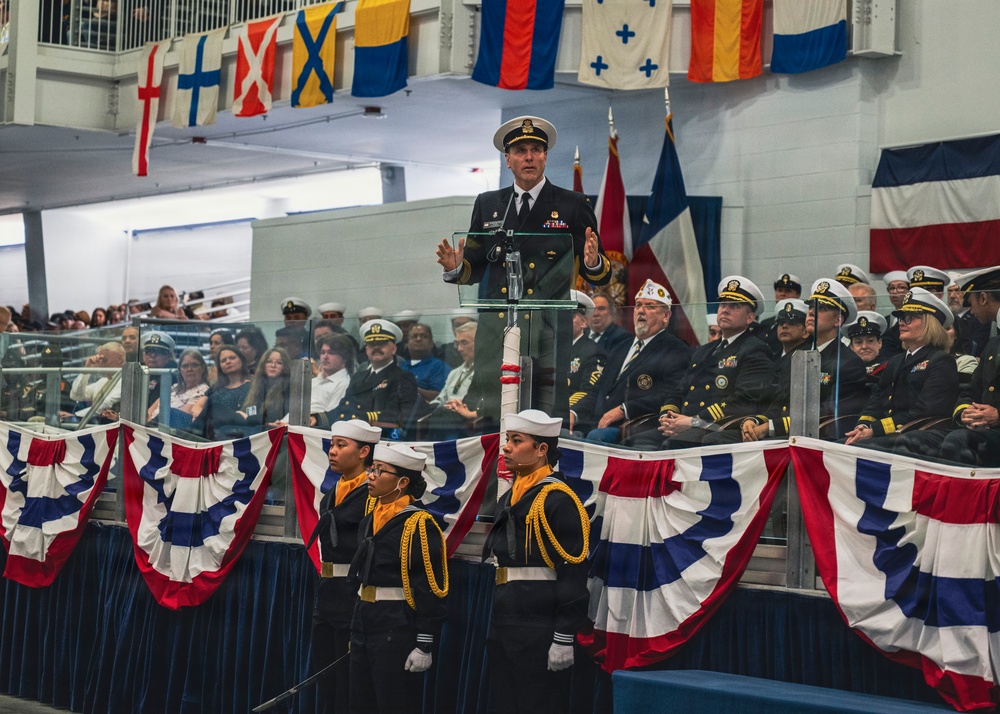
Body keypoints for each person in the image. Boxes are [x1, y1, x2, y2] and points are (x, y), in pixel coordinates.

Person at [435, 115, 611, 422]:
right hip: (498, 328)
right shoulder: (489, 204)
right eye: (520, 151)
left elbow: (600, 271)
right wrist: (457, 267)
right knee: (493, 414)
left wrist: (592, 261)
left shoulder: (571, 204)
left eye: (535, 150)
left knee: (541, 416)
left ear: (545, 156)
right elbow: (475, 267)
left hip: (545, 328)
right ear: (508, 160)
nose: (529, 157)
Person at [482, 409, 590, 713]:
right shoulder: (509, 497)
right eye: (507, 440)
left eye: (517, 441)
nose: (506, 448)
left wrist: (563, 635)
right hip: (505, 617)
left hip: (540, 623)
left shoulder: (559, 498)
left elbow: (573, 570)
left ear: (542, 449)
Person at [348, 442, 448, 714]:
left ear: (402, 482)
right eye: (372, 469)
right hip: (364, 623)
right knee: (360, 704)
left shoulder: (418, 524)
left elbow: (430, 587)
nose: (371, 476)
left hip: (395, 627)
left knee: (393, 704)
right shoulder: (370, 519)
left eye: (380, 471)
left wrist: (424, 643)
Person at [640, 276, 774, 450]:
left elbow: (742, 401)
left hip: (713, 427)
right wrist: (668, 415)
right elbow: (679, 390)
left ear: (750, 318)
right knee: (635, 442)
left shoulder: (755, 349)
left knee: (670, 445)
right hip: (684, 423)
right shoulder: (704, 350)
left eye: (734, 306)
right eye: (722, 304)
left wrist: (694, 421)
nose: (725, 310)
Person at [307, 420, 381, 714]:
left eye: (341, 445)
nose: (332, 451)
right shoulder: (333, 491)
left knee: (349, 685)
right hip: (327, 593)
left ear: (364, 452)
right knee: (326, 679)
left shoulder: (373, 495)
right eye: (332, 445)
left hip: (352, 594)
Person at [741, 284, 868, 443]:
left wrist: (771, 427)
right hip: (785, 434)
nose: (811, 312)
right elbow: (778, 403)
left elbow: (826, 415)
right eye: (811, 307)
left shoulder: (848, 363)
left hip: (817, 439)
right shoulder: (797, 355)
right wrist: (756, 420)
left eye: (822, 308)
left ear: (838, 320)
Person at [572, 279, 691, 444]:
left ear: (666, 316)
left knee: (596, 437)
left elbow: (670, 395)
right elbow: (598, 390)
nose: (641, 311)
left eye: (650, 306)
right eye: (638, 305)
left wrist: (625, 409)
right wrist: (574, 413)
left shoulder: (676, 349)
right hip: (596, 422)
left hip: (633, 428)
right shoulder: (621, 346)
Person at [844, 287, 959, 452]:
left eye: (910, 318)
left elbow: (925, 412)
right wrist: (863, 425)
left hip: (917, 435)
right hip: (892, 433)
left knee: (855, 449)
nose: (902, 323)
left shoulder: (941, 361)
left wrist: (875, 429)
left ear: (930, 324)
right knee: (840, 445)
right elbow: (876, 401)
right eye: (902, 318)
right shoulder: (896, 361)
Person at [322, 319, 418, 433]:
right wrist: (319, 417)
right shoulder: (358, 377)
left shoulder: (402, 378)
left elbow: (397, 415)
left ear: (393, 349)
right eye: (372, 344)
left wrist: (360, 417)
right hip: (352, 431)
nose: (376, 347)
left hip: (380, 435)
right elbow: (343, 408)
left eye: (381, 343)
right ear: (367, 350)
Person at [424, 322, 478, 440]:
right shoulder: (455, 373)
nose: (459, 349)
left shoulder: (486, 372)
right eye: (457, 343)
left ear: (479, 342)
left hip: (468, 425)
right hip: (445, 420)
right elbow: (441, 399)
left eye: (464, 343)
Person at [189, 345, 253, 440]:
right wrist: (199, 413)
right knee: (172, 413)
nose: (228, 361)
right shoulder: (215, 387)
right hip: (210, 429)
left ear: (241, 360)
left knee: (215, 407)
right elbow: (197, 406)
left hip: (235, 430)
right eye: (223, 360)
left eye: (232, 358)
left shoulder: (252, 386)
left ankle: (188, 438)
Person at [566, 290, 605, 430]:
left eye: (570, 316)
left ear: (584, 322)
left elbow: (589, 392)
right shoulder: (553, 348)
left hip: (576, 418)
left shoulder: (593, 351)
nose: (564, 320)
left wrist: (567, 409)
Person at [63, 342, 126, 421]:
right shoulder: (102, 382)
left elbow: (105, 404)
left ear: (119, 359)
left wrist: (75, 415)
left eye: (104, 360)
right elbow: (76, 395)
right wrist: (87, 369)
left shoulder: (125, 381)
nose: (101, 363)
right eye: (100, 360)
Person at [147, 348, 209, 427]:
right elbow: (150, 411)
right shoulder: (174, 387)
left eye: (194, 365)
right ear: (180, 369)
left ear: (203, 368)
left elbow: (177, 417)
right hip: (152, 428)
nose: (189, 369)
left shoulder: (204, 391)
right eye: (185, 366)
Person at [401, 323, 451, 406]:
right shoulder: (401, 366)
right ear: (407, 343)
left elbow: (441, 396)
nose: (418, 339)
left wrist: (413, 389)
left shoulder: (439, 366)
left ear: (431, 343)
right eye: (414, 336)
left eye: (424, 336)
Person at [240, 347, 291, 428]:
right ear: (263, 365)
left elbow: (274, 420)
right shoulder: (254, 387)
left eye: (279, 363)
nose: (273, 365)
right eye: (269, 361)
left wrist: (248, 418)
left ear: (285, 367)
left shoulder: (288, 390)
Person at [755, 273, 802, 355]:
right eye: (779, 290)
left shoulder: (802, 322)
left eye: (788, 291)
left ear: (798, 295)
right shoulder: (765, 324)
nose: (782, 294)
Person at [310, 334, 354, 419]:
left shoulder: (344, 384)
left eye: (331, 353)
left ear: (345, 357)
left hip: (316, 425)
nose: (325, 357)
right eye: (322, 352)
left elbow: (330, 418)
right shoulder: (314, 381)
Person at [844, 311, 888, 384]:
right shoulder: (845, 371)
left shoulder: (890, 369)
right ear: (851, 346)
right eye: (859, 342)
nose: (864, 346)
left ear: (879, 343)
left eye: (870, 341)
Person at [586, 291, 632, 360]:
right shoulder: (581, 333)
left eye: (601, 309)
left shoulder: (622, 337)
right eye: (592, 309)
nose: (595, 314)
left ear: (612, 313)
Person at [141, 331, 177, 409]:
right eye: (149, 351)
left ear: (167, 357)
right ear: (144, 355)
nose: (153, 355)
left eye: (158, 352)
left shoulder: (171, 375)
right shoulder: (138, 371)